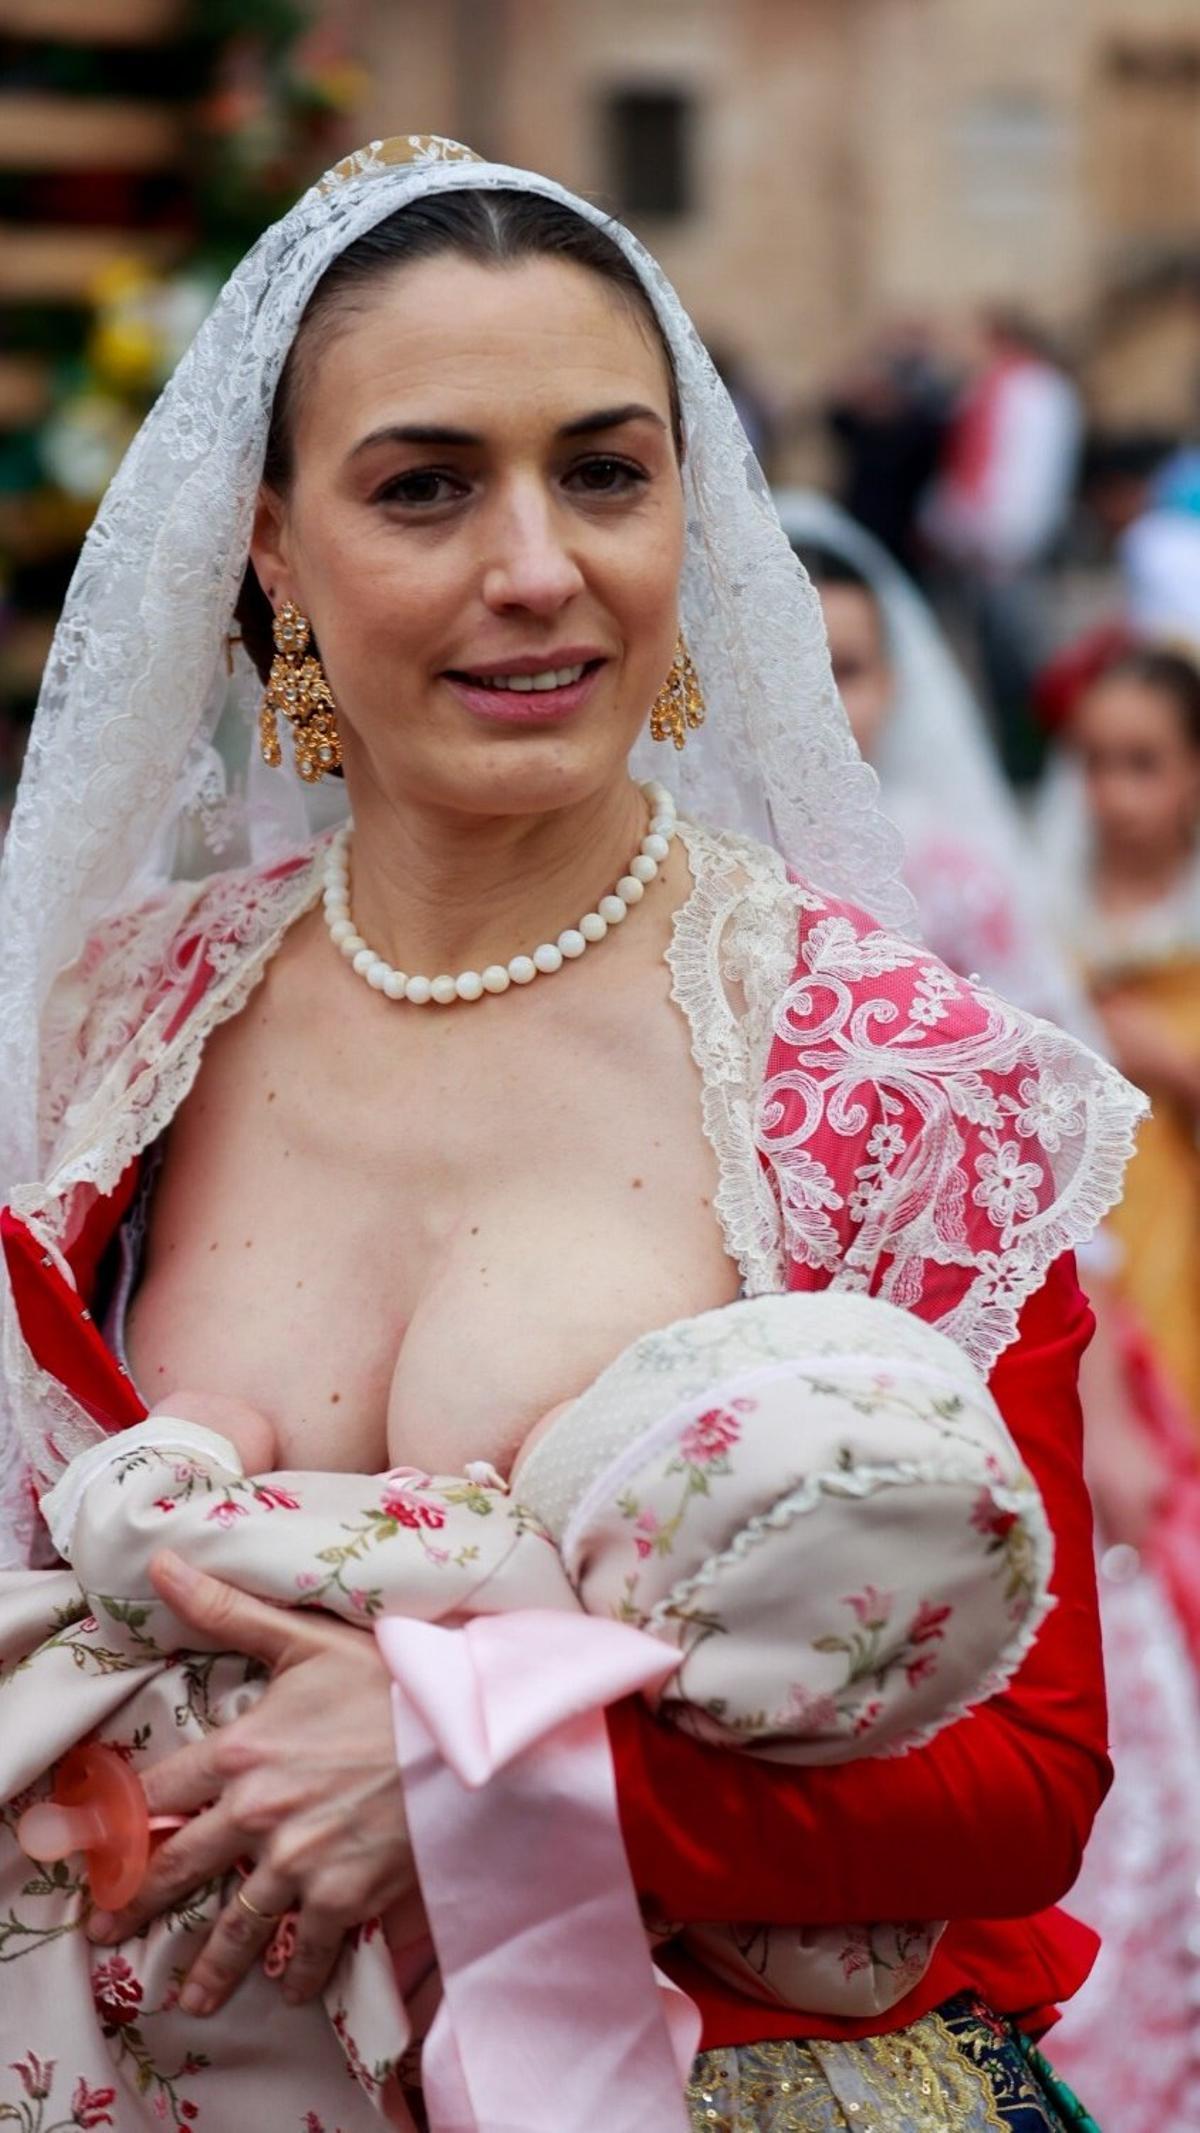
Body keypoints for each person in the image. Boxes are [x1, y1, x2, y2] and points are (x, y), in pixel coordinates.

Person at [0, 135, 1143, 2131]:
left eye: (604, 472)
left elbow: (1025, 1780)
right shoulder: (130, 1027)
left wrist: (490, 1765)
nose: (538, 564)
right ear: (269, 545)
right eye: (426, 484)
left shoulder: (882, 1076)